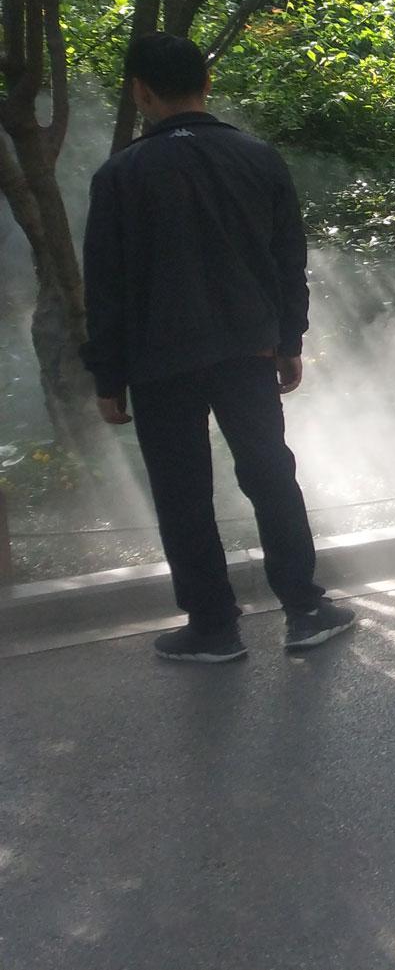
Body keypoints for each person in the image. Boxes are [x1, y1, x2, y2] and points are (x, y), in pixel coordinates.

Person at [82, 34, 355, 662]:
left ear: (140, 91)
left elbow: (106, 286)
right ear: (206, 84)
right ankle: (306, 610)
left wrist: (108, 376)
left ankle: (212, 628)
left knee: (182, 492)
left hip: (159, 363)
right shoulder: (256, 157)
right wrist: (288, 340)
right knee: (269, 474)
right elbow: (287, 259)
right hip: (247, 352)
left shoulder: (119, 174)